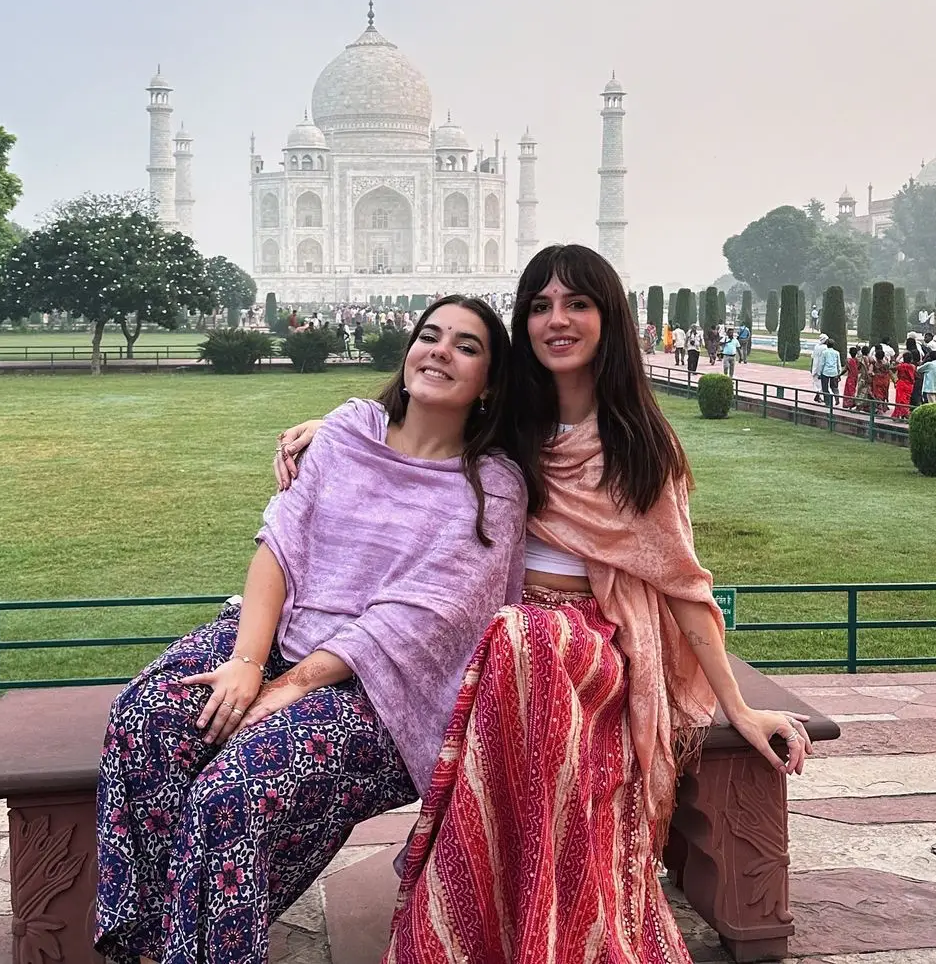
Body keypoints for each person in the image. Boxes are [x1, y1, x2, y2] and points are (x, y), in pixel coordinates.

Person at [277, 246, 811, 961]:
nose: (556, 320)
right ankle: (486, 910)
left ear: (608, 319)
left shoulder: (638, 447)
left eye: (576, 304)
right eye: (539, 306)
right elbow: (418, 412)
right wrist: (335, 426)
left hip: (584, 638)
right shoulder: (509, 425)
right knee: (510, 639)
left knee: (525, 642)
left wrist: (738, 708)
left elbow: (685, 587)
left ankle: (544, 920)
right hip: (488, 630)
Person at [94, 297, 528, 964]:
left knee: (231, 793)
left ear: (490, 383)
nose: (440, 350)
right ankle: (157, 945)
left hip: (379, 691)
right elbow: (280, 543)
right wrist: (247, 661)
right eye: (429, 336)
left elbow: (415, 622)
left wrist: (288, 686)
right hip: (277, 639)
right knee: (144, 721)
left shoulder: (491, 488)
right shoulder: (348, 431)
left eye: (466, 346)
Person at [892, 351, 917, 420]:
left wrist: (898, 359)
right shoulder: (913, 366)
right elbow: (915, 375)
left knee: (900, 400)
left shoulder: (901, 366)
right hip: (909, 385)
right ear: (911, 359)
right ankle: (903, 415)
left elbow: (892, 368)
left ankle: (903, 414)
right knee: (906, 400)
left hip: (901, 384)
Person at [871, 344, 893, 415]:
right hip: (885, 380)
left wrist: (873, 374)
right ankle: (884, 406)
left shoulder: (875, 363)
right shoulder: (886, 362)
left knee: (878, 395)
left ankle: (880, 410)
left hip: (877, 380)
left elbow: (870, 372)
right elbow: (890, 371)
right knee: (884, 393)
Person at [819, 338, 842, 405]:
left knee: (825, 388)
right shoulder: (836, 353)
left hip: (825, 372)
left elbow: (822, 363)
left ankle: (828, 402)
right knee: (834, 387)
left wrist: (820, 372)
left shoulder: (824, 352)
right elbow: (838, 364)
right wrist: (839, 373)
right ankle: (836, 396)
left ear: (827, 344)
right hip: (834, 372)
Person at [810, 334, 828, 403]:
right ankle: (819, 395)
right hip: (821, 367)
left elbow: (812, 357)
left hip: (815, 366)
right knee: (821, 383)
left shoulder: (816, 346)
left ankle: (818, 395)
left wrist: (811, 367)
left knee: (816, 382)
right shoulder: (825, 348)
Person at [842, 345, 861, 409]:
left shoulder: (849, 361)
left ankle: (849, 404)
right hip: (855, 377)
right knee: (852, 390)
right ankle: (851, 404)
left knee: (848, 391)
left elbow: (845, 369)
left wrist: (839, 375)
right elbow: (858, 368)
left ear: (850, 353)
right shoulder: (857, 360)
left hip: (850, 377)